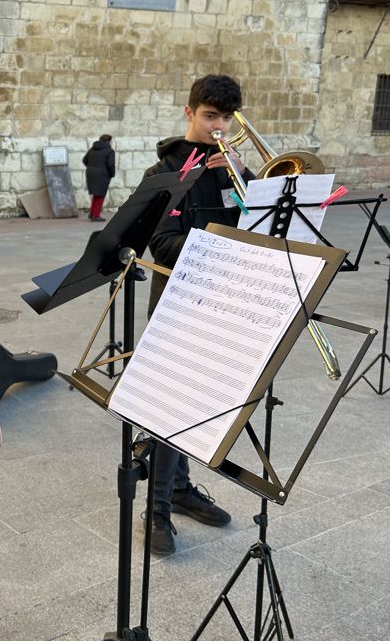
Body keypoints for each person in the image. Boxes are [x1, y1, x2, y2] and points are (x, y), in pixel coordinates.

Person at [140, 74, 249, 556]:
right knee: (170, 406)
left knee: (197, 402)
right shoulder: (165, 172)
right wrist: (224, 237)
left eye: (227, 117)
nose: (219, 126)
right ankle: (157, 508)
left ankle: (180, 490)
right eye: (210, 116)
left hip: (224, 300)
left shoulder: (235, 171)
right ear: (189, 113)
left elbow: (264, 231)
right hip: (178, 303)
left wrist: (252, 191)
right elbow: (161, 244)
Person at [81, 133, 115, 221]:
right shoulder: (109, 151)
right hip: (103, 174)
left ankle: (92, 213)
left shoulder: (92, 149)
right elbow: (110, 164)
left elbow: (84, 160)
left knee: (96, 194)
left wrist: (92, 167)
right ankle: (95, 215)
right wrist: (112, 174)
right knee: (100, 195)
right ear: (109, 141)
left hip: (90, 173)